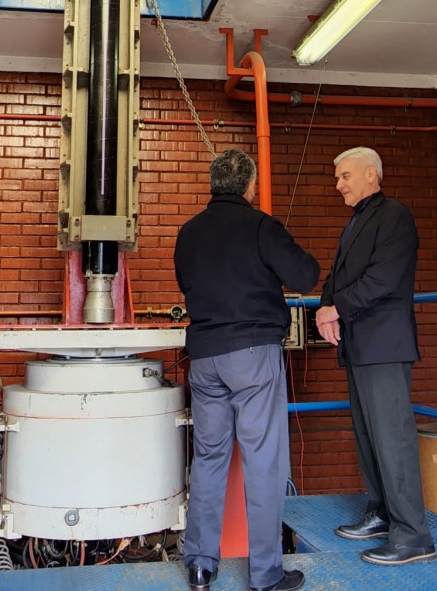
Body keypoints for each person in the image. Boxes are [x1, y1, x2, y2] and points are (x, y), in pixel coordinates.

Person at [174, 149, 321, 591]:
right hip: (253, 354)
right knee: (264, 461)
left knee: (209, 457)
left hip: (204, 357)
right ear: (250, 186)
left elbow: (187, 282)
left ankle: (200, 564)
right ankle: (266, 574)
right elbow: (306, 276)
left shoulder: (189, 232)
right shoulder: (261, 226)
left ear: (212, 183)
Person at [314, 146, 435, 566]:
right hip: (360, 345)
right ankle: (382, 513)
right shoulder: (357, 222)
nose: (338, 184)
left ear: (370, 174)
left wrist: (337, 308)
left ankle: (414, 536)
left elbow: (382, 278)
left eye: (344, 176)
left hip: (384, 345)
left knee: (393, 439)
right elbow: (337, 276)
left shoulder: (394, 216)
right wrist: (326, 308)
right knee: (369, 438)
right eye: (337, 177)